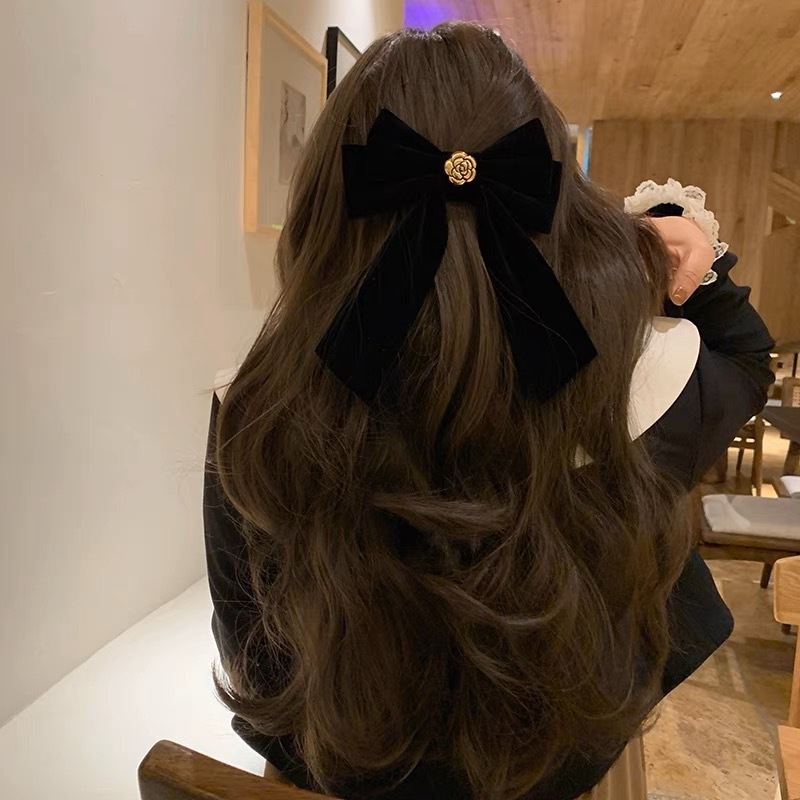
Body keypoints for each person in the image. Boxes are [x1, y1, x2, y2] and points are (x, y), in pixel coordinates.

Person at [204, 22, 773, 800]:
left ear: (328, 207)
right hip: (574, 770)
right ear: (556, 204)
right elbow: (747, 358)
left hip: (331, 775)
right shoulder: (641, 391)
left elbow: (251, 644)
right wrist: (685, 244)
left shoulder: (255, 417)